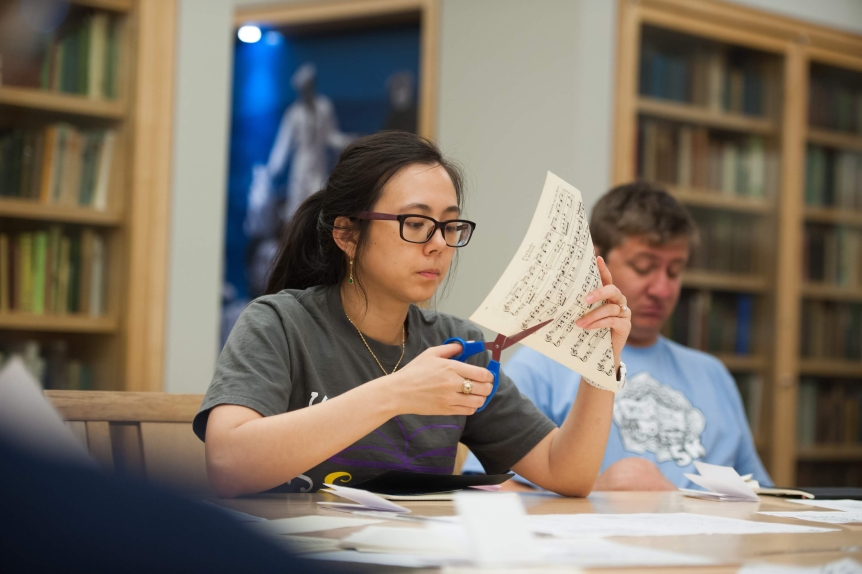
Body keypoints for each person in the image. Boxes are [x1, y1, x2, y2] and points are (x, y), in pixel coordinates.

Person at [194, 131, 631, 498]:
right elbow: (228, 463)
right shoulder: (278, 323)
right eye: (416, 223)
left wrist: (599, 363)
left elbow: (566, 473)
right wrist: (396, 393)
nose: (439, 244)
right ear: (347, 234)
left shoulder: (458, 344)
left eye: (450, 225)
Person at [462, 182, 772, 491]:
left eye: (675, 272)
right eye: (643, 267)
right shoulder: (539, 365)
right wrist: (599, 494)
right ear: (598, 263)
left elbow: (765, 495)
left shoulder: (713, 374)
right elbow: (489, 490)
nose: (662, 289)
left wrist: (671, 500)